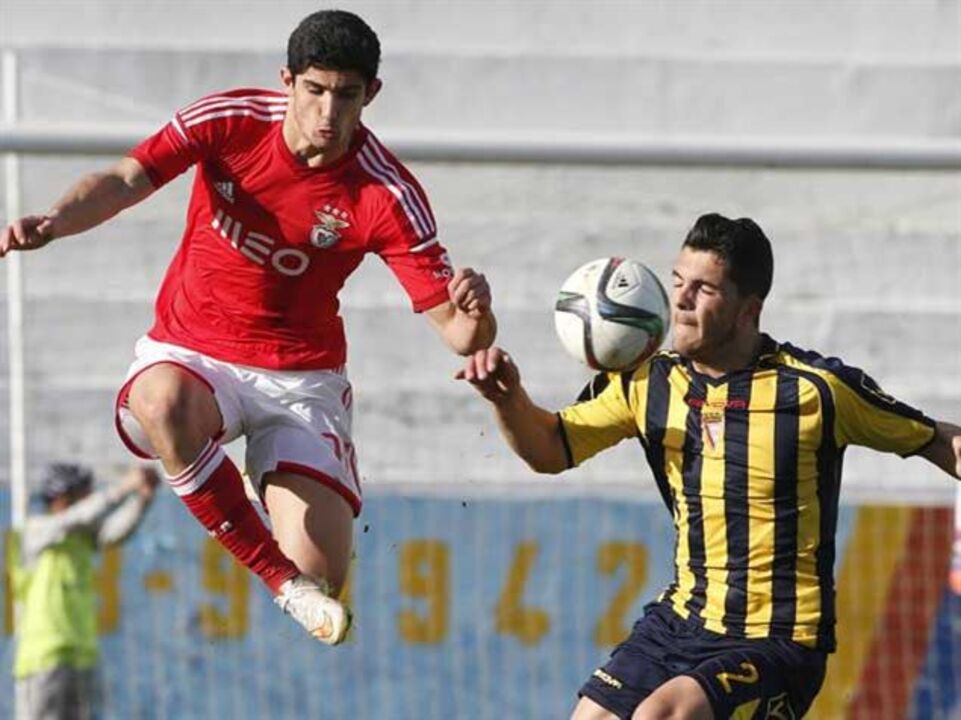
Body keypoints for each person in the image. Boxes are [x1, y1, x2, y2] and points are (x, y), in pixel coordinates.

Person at [0, 9, 495, 647]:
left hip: (300, 378)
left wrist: (477, 315)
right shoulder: (230, 120)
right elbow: (125, 180)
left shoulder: (386, 194)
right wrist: (54, 221)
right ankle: (276, 577)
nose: (328, 112)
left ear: (370, 94)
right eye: (315, 90)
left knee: (322, 580)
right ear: (287, 80)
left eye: (346, 95)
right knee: (161, 403)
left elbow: (460, 334)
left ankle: (276, 517)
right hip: (192, 352)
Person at [458, 213, 961, 720]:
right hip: (681, 622)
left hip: (777, 640)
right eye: (678, 281)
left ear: (748, 310)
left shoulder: (815, 390)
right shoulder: (647, 382)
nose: (681, 300)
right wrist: (507, 398)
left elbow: (939, 441)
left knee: (664, 714)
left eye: (704, 289)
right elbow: (549, 449)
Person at [8, 463, 158, 720]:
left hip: (83, 655)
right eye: (83, 496)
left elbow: (115, 532)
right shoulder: (35, 532)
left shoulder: (82, 539)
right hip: (44, 658)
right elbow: (77, 517)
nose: (89, 502)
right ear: (60, 500)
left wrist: (142, 499)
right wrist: (123, 488)